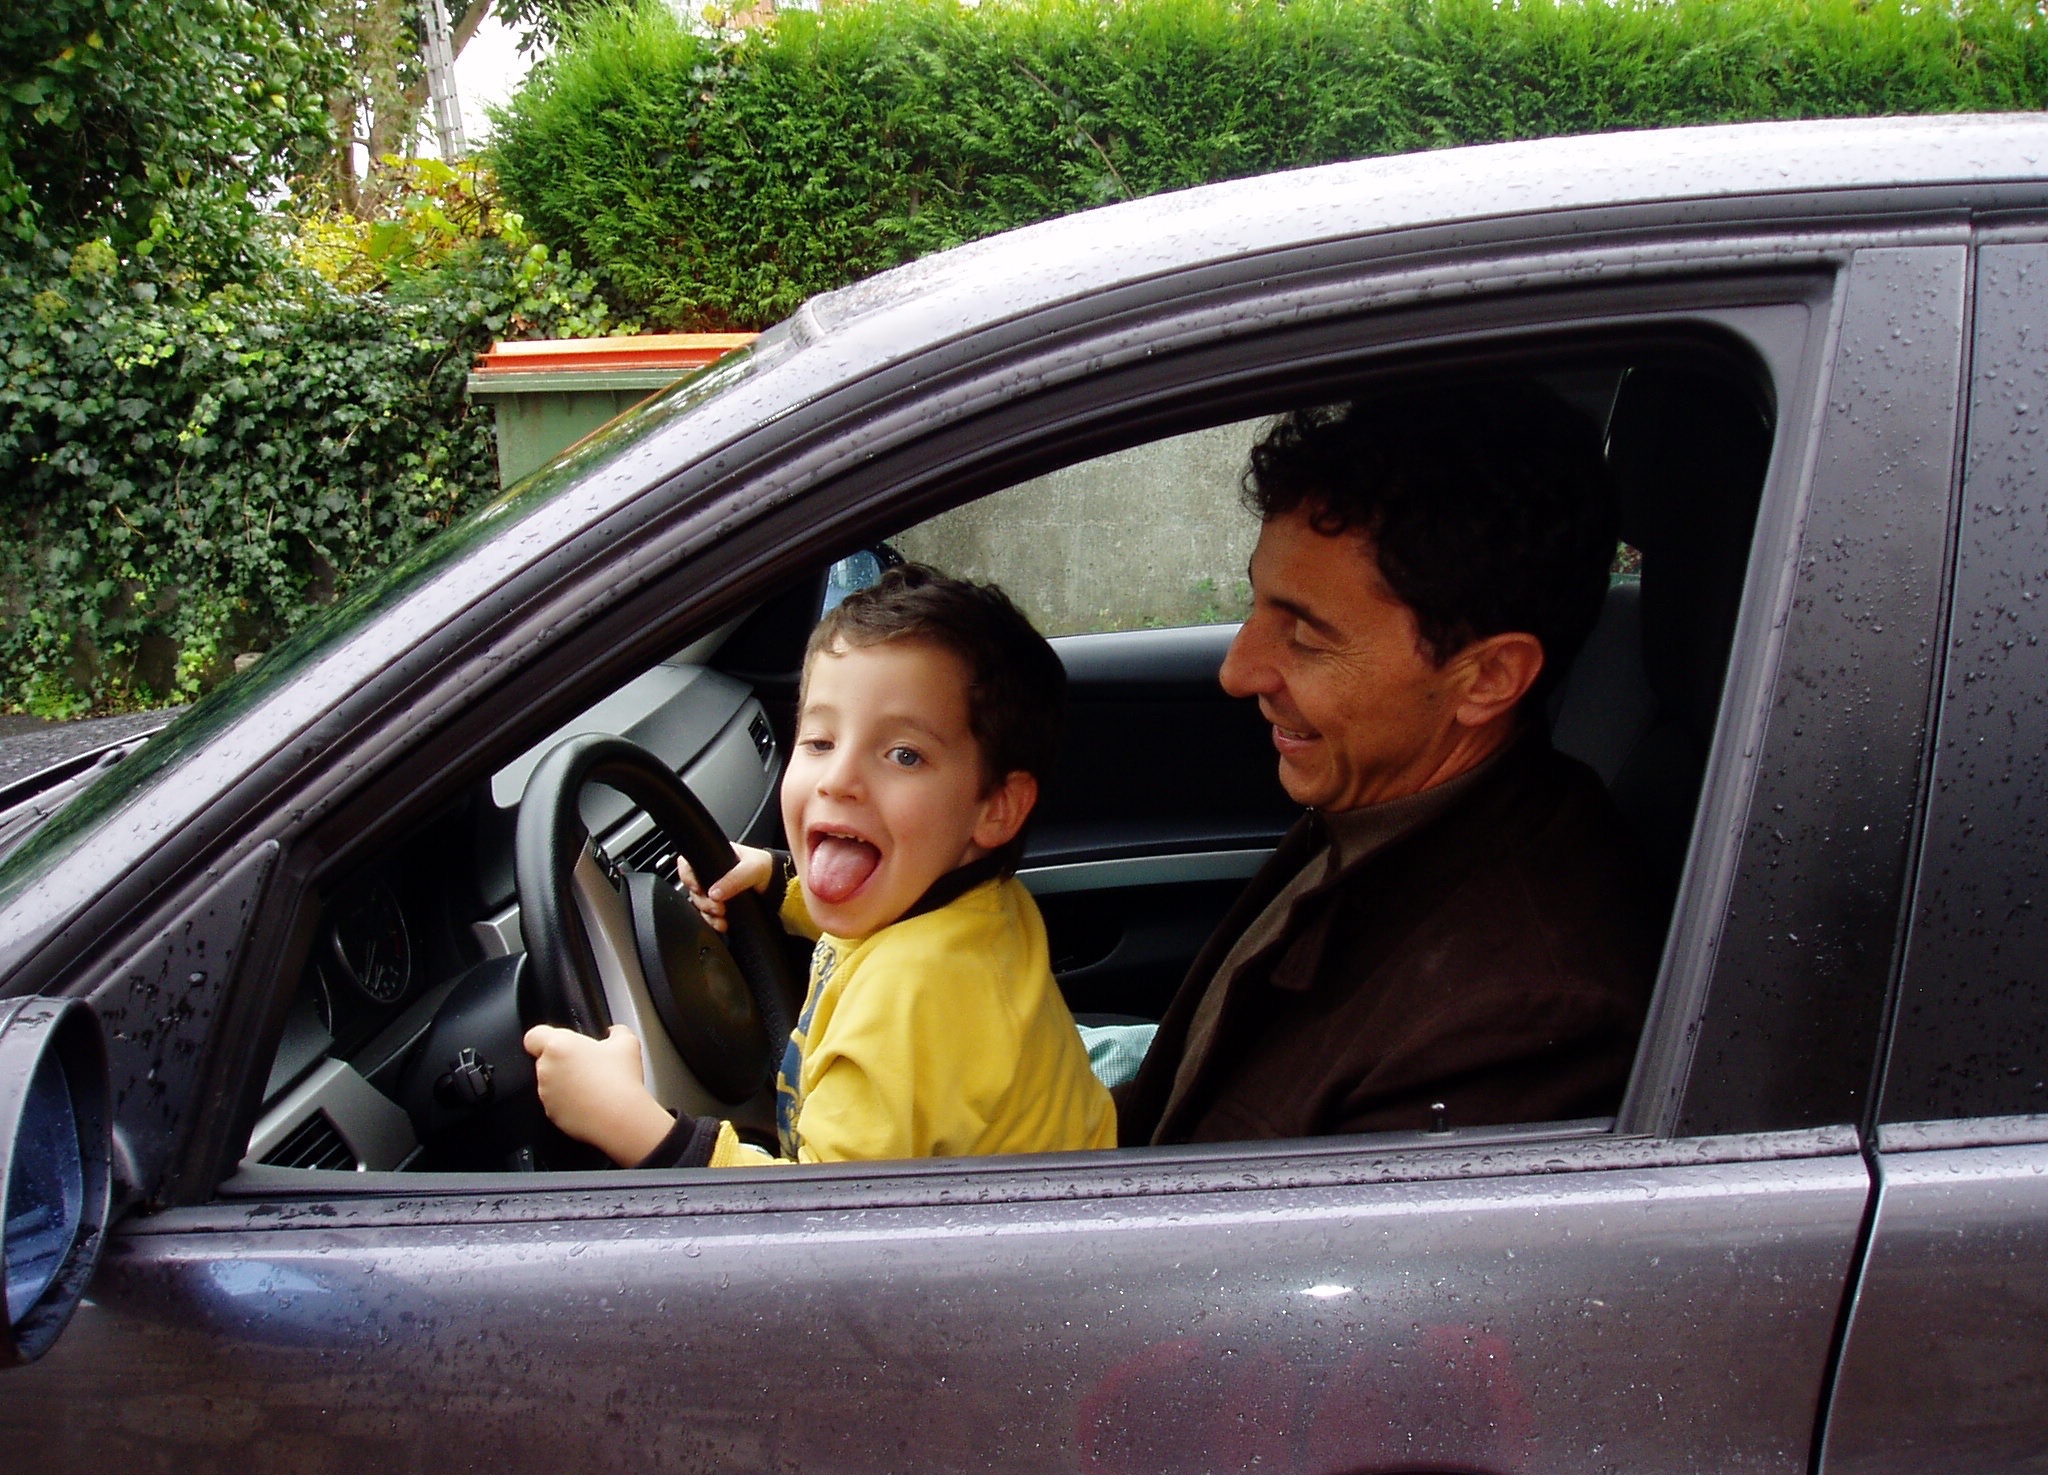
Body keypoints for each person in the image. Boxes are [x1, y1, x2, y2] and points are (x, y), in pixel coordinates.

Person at [1117, 378, 1661, 1146]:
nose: (1239, 672)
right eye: (1257, 606)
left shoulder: (1517, 1016)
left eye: (1304, 633)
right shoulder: (1384, 802)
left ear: (1490, 677)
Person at [524, 564, 1118, 1168]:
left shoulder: (907, 1003)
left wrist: (631, 1123)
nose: (839, 781)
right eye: (819, 741)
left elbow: (812, 1229)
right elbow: (878, 920)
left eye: (904, 755)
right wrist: (776, 880)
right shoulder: (971, 906)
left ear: (996, 809)